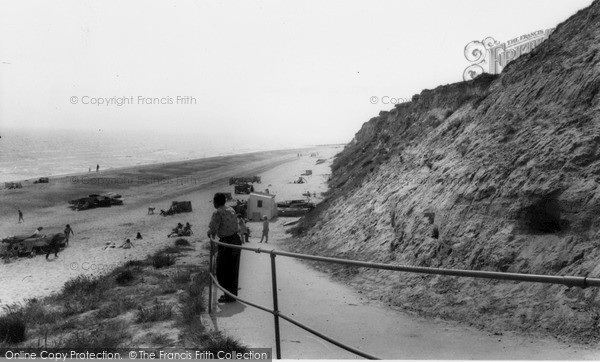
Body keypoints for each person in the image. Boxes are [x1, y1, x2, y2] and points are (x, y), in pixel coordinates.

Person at [208, 192, 242, 303]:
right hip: (236, 240)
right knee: (233, 269)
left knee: (222, 270)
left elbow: (212, 230)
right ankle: (231, 296)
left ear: (216, 202)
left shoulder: (217, 213)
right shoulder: (231, 209)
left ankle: (228, 295)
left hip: (226, 243)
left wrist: (210, 234)